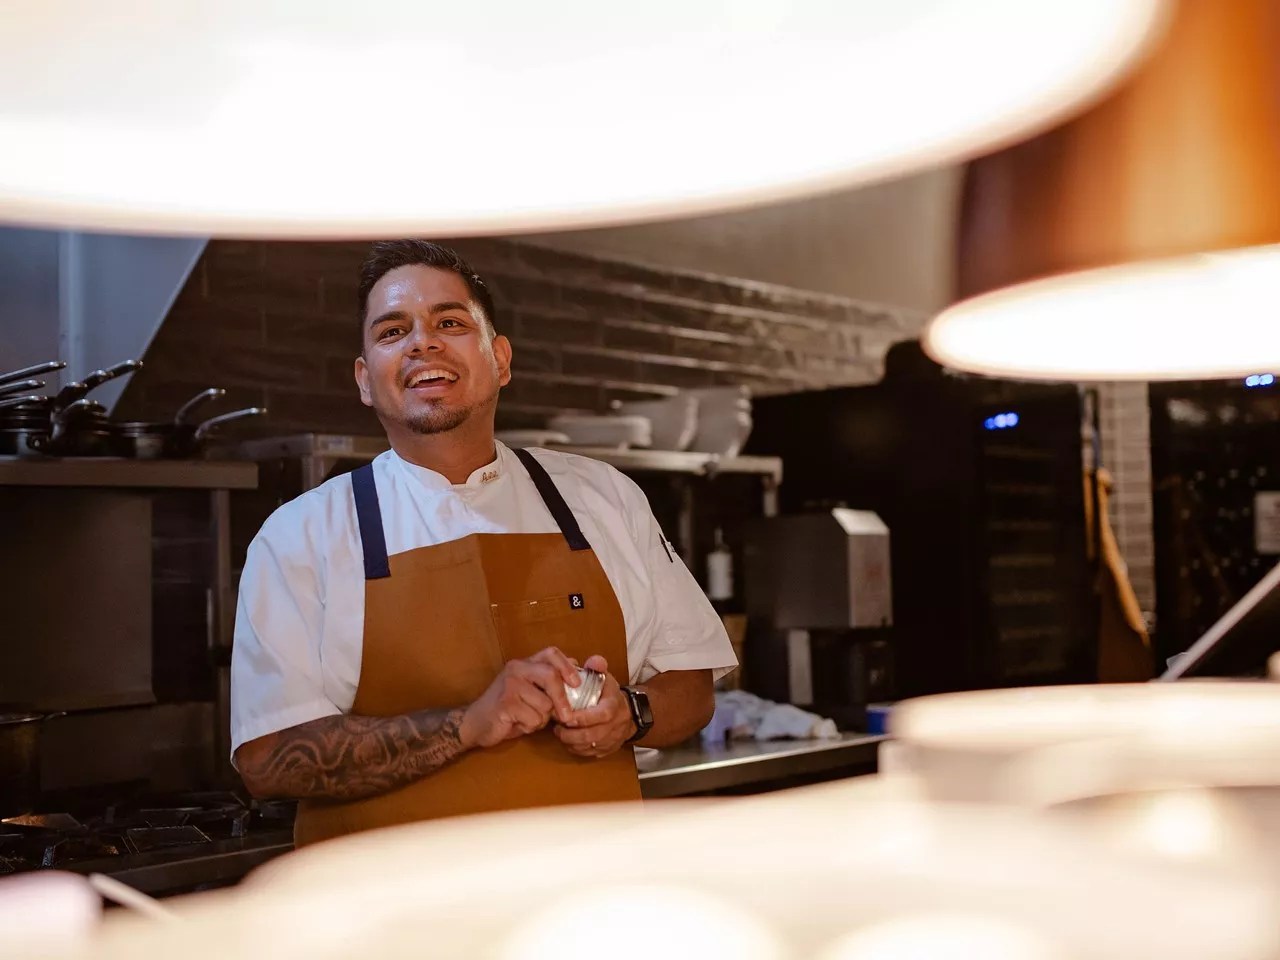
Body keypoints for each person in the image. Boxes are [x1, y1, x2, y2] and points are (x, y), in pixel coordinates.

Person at [231, 240, 737, 846]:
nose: (422, 343)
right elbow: (266, 760)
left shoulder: (604, 497)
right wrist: (468, 724)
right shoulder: (299, 536)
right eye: (392, 331)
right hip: (394, 902)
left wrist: (630, 713)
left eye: (450, 323)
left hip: (588, 890)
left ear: (500, 358)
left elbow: (691, 689)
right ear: (365, 380)